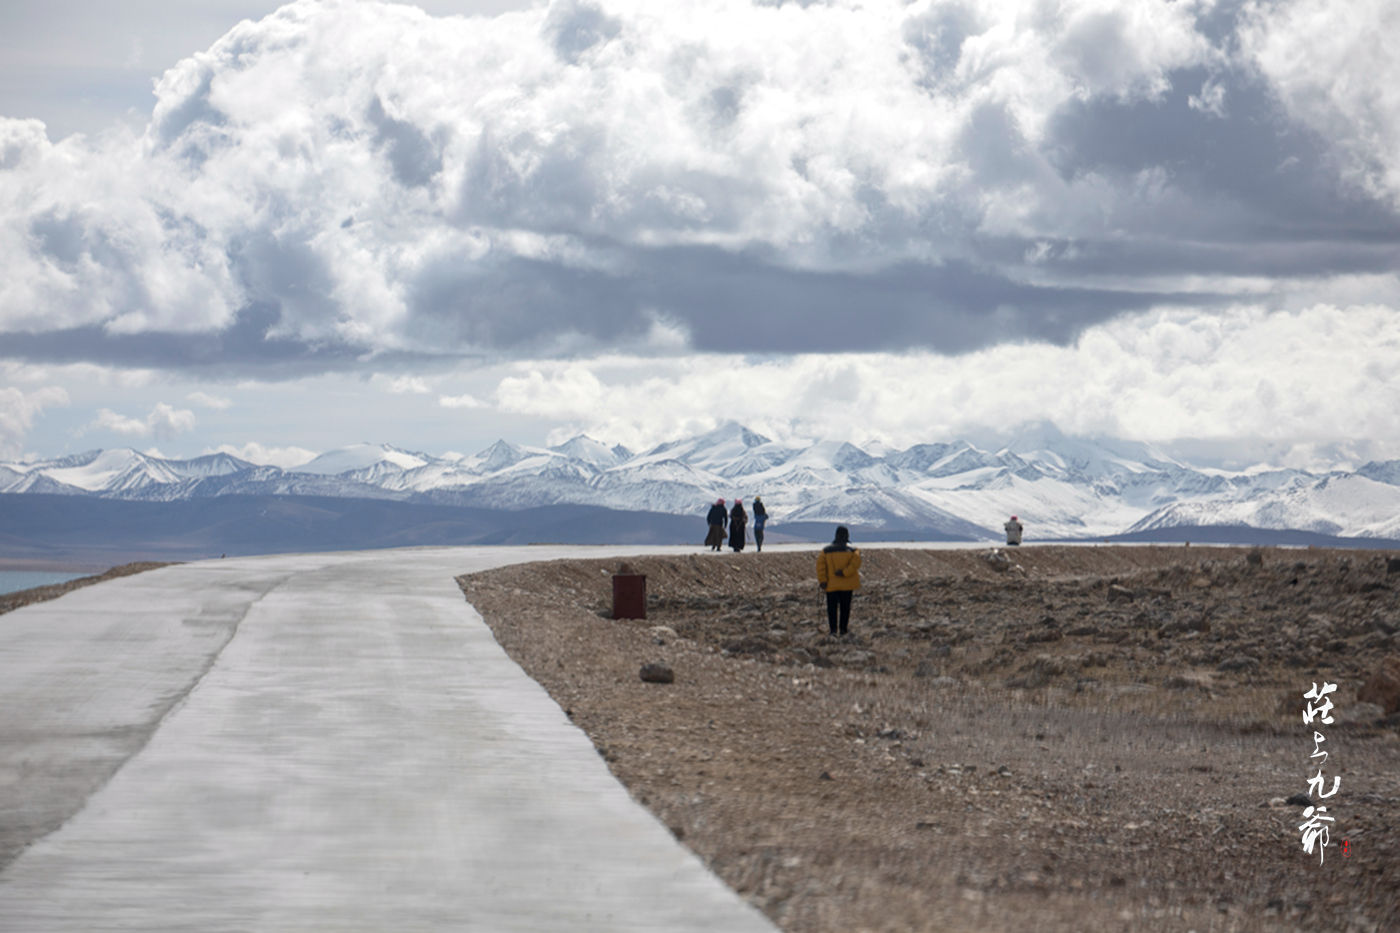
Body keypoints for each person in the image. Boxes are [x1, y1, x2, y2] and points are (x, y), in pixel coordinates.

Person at [817, 525, 861, 636]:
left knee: (832, 609)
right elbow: (856, 564)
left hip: (831, 585)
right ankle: (843, 630)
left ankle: (833, 630)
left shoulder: (825, 551)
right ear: (847, 537)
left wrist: (822, 581)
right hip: (847, 585)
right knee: (845, 608)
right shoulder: (853, 551)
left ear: (836, 536)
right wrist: (844, 573)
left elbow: (820, 567)